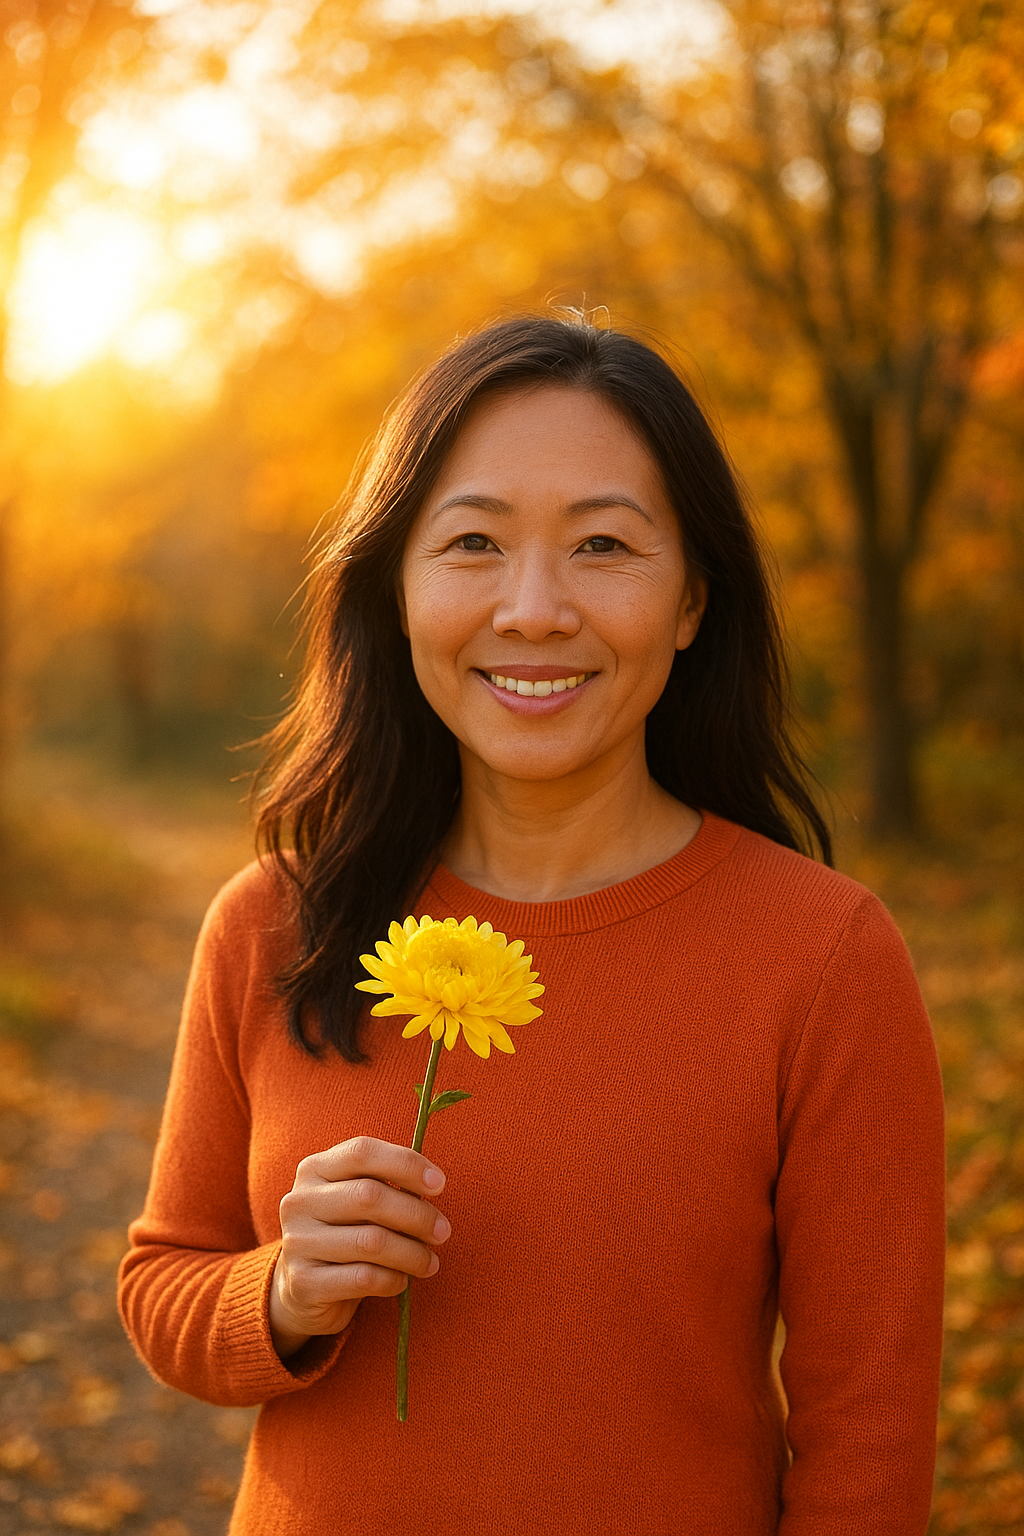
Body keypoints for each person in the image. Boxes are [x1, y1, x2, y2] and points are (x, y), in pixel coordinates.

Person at [118, 314, 946, 1536]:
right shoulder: (273, 923)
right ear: (396, 588)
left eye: (603, 544)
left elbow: (867, 1440)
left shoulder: (821, 958)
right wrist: (282, 1292)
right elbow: (163, 1289)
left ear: (690, 602)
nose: (534, 608)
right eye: (472, 543)